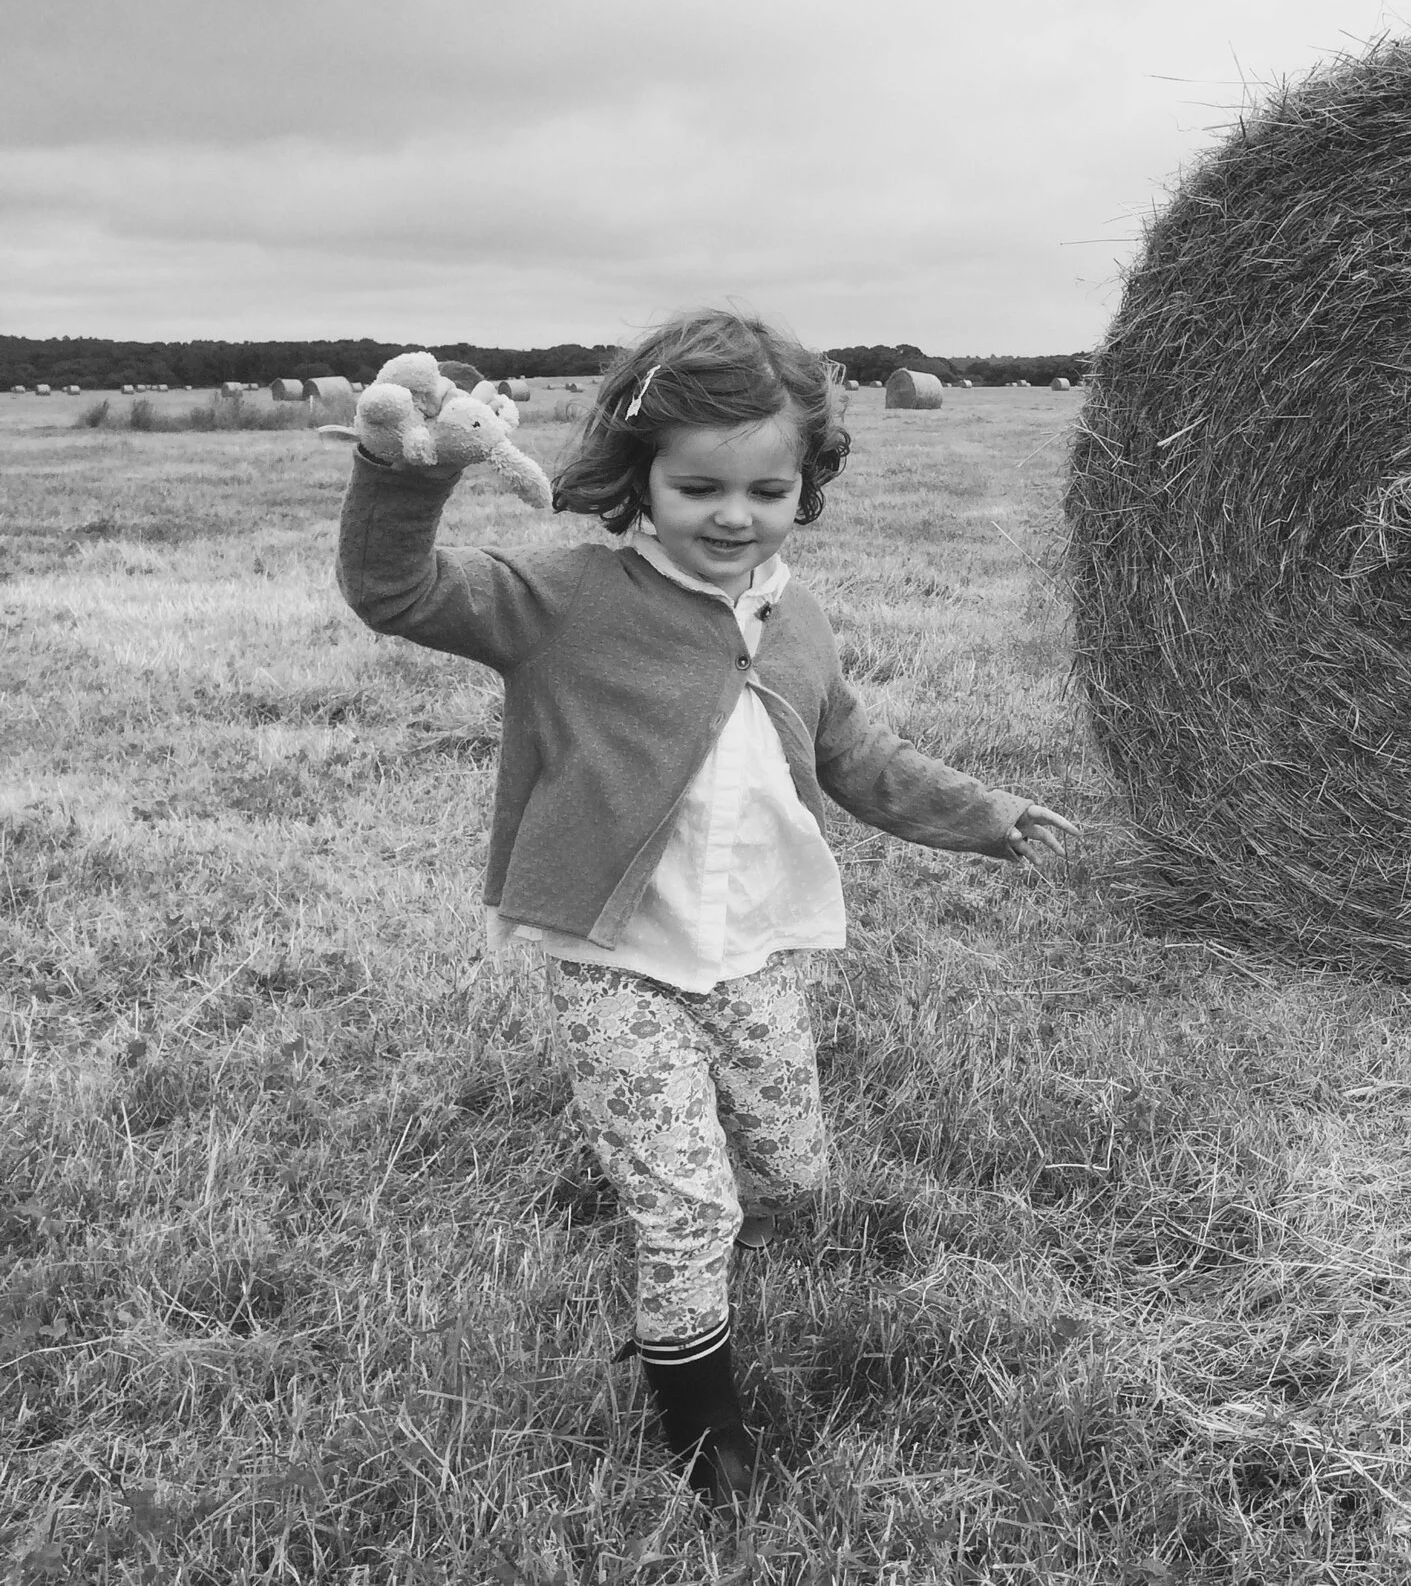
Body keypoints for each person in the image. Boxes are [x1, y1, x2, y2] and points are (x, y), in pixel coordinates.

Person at [334, 309, 1076, 1505]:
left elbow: (854, 753)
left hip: (755, 949)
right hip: (613, 951)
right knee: (691, 1204)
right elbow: (395, 590)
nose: (734, 515)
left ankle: (739, 1194)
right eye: (699, 487)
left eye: (766, 489)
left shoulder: (799, 618)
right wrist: (394, 477)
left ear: (805, 488)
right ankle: (699, 1408)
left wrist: (983, 814)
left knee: (791, 1173)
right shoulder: (565, 595)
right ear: (641, 479)